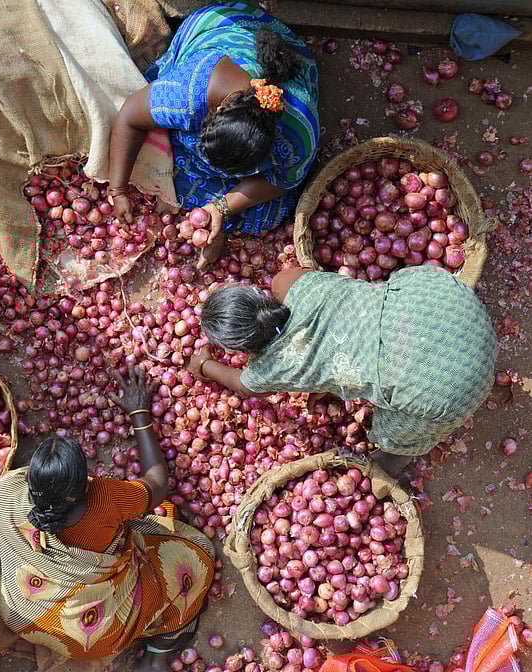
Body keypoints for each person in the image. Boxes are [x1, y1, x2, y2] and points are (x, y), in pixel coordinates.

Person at [0, 367, 214, 671]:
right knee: (195, 559)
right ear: (84, 486)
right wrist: (139, 413)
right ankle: (157, 655)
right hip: (93, 636)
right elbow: (158, 484)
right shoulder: (104, 499)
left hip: (22, 612)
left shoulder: (3, 492)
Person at [188, 266, 497, 475]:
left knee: (395, 437)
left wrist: (204, 365)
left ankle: (390, 462)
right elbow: (324, 330)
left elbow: (242, 384)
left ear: (242, 348)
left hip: (455, 386)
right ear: (257, 294)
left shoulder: (269, 369)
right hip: (450, 306)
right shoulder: (289, 281)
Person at [107, 2, 319, 269]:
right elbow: (129, 116)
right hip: (216, 29)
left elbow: (281, 181)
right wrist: (118, 190)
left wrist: (222, 208)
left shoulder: (299, 135)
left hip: (279, 65)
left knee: (269, 212)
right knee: (148, 152)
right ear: (213, 112)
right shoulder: (194, 89)